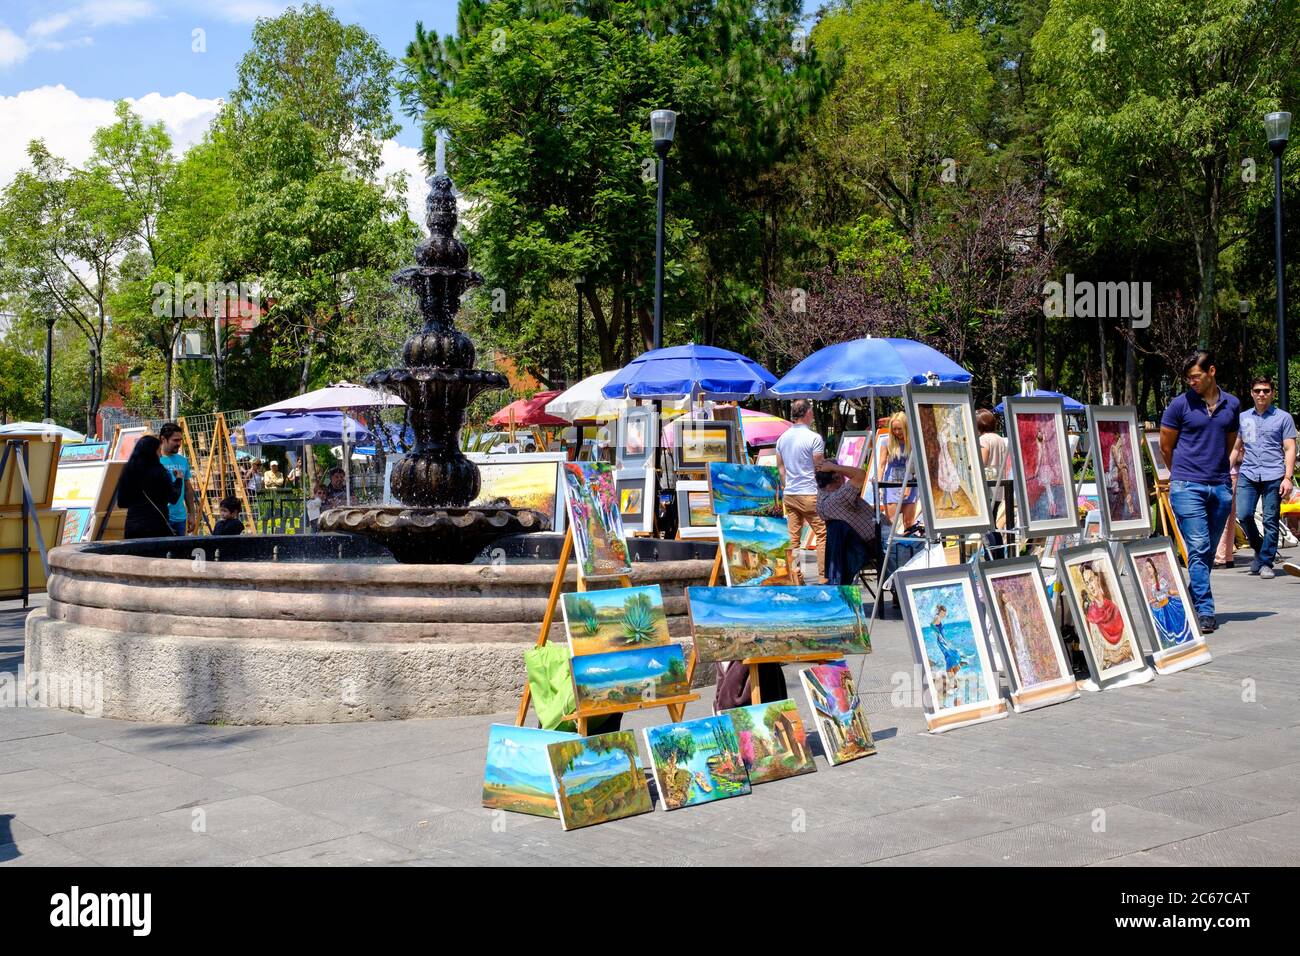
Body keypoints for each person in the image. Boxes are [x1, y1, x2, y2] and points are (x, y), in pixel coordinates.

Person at [1159, 351, 1240, 633]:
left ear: (1212, 372)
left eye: (1196, 376)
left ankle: (1190, 598)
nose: (1191, 382)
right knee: (1200, 548)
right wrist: (1181, 474)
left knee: (1204, 553)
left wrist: (1215, 471)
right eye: (1189, 378)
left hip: (1220, 486)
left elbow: (1229, 442)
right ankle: (1205, 610)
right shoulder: (1179, 405)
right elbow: (1166, 447)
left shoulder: (1232, 404)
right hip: (1187, 486)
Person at [1230, 375, 1297, 580]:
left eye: (1266, 390)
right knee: (1244, 514)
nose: (1261, 394)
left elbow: (1290, 448)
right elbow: (1236, 447)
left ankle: (1266, 562)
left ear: (1272, 393)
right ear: (1251, 393)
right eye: (1258, 390)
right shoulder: (1243, 418)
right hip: (1249, 473)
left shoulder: (1283, 417)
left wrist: (1288, 477)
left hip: (1274, 474)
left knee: (1270, 519)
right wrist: (1225, 470)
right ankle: (1261, 551)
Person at [775, 399, 827, 582]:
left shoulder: (782, 439)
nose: (813, 414)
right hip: (810, 492)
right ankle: (823, 576)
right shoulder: (814, 438)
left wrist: (786, 485)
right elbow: (819, 466)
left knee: (794, 539)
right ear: (806, 413)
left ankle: (795, 575)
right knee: (822, 533)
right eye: (812, 411)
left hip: (790, 493)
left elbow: (780, 469)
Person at [815, 459, 880, 585]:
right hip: (876, 545)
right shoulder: (838, 497)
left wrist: (827, 468)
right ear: (837, 478)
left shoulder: (822, 495)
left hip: (866, 544)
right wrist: (835, 467)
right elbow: (861, 474)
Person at [116, 434, 183, 539]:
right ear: (152, 452)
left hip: (133, 528)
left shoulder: (128, 472)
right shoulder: (159, 472)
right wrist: (179, 479)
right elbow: (173, 498)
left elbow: (122, 503)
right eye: (159, 451)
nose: (160, 455)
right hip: (156, 527)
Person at [879, 412, 918, 529]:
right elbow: (881, 464)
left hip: (910, 483)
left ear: (906, 427)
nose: (897, 432)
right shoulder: (887, 442)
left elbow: (914, 467)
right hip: (891, 484)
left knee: (909, 523)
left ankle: (908, 546)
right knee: (891, 524)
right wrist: (879, 485)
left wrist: (908, 488)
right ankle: (893, 547)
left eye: (900, 429)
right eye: (894, 429)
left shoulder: (913, 442)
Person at [158, 422, 196, 536]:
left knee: (179, 553)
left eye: (180, 440)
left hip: (180, 518)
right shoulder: (156, 460)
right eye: (175, 440)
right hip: (161, 517)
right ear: (163, 439)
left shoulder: (183, 460)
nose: (179, 443)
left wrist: (192, 514)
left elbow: (188, 490)